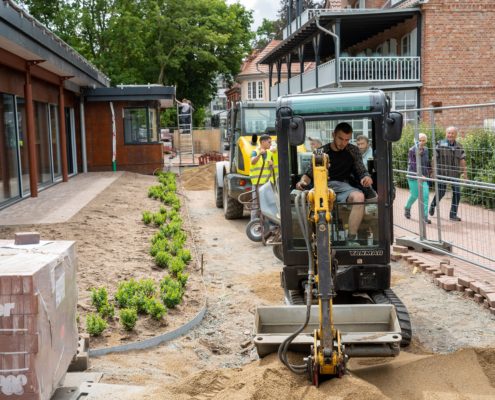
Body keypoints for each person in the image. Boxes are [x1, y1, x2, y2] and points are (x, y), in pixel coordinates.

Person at [296, 122, 374, 243]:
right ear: (333, 135)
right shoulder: (321, 151)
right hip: (322, 187)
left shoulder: (353, 150)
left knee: (359, 196)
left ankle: (351, 239)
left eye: (347, 140)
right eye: (340, 138)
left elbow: (361, 170)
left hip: (344, 186)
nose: (343, 143)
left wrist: (366, 177)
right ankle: (313, 240)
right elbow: (308, 174)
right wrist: (302, 182)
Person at [429, 126, 467, 221]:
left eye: (452, 133)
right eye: (448, 133)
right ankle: (433, 205)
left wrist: (465, 173)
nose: (450, 135)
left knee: (457, 193)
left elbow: (462, 160)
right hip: (443, 173)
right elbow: (434, 158)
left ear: (456, 135)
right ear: (446, 134)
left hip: (455, 173)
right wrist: (433, 171)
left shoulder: (459, 146)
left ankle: (453, 215)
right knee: (441, 192)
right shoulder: (440, 144)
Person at [405, 133, 432, 224]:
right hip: (413, 175)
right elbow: (413, 165)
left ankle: (425, 216)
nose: (421, 142)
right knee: (414, 195)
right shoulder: (412, 150)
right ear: (416, 140)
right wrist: (419, 174)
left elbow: (427, 162)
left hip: (424, 176)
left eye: (423, 140)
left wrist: (430, 171)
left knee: (425, 195)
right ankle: (407, 208)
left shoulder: (426, 150)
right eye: (420, 140)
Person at [250, 134, 274, 221]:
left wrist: (271, 165)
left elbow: (271, 170)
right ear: (262, 142)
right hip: (257, 183)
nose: (270, 144)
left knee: (267, 204)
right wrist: (259, 154)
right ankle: (254, 223)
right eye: (269, 142)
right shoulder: (255, 152)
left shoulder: (270, 153)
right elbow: (252, 162)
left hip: (267, 183)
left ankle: (266, 224)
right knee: (256, 204)